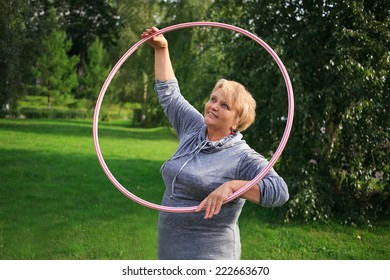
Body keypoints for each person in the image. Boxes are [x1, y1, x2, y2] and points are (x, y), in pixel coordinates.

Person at [141, 27, 289, 260]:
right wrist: (162, 49)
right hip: (170, 250)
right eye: (213, 99)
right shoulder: (193, 128)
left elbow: (279, 192)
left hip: (210, 256)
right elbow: (169, 94)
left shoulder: (243, 157)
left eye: (225, 106)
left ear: (238, 120)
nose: (213, 107)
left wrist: (232, 186)